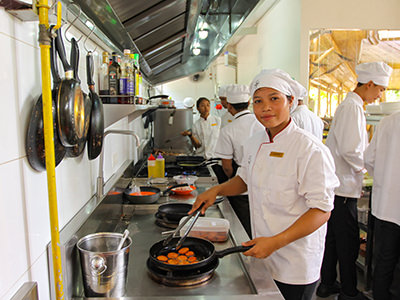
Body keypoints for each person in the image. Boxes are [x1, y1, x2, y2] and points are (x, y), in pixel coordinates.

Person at [189, 69, 339, 300]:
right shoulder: (256, 140)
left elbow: (321, 210)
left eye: (274, 99)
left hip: (294, 260)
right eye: (258, 101)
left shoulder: (310, 149)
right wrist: (217, 190)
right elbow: (244, 180)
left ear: (291, 101)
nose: (265, 107)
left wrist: (276, 242)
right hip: (262, 250)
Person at [317, 62, 393, 300]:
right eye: (380, 89)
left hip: (341, 186)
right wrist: (367, 168)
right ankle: (349, 292)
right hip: (343, 188)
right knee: (347, 243)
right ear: (369, 84)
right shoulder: (352, 107)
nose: (380, 94)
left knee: (334, 239)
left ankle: (328, 283)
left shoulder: (352, 106)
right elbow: (352, 150)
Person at [214, 84, 264, 237]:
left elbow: (227, 166)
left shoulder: (228, 130)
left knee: (243, 227)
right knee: (262, 224)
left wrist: (233, 182)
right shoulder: (263, 124)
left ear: (229, 106)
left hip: (241, 183)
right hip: (265, 183)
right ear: (249, 103)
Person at [364, 111, 400, 300]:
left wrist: (384, 180)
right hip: (388, 208)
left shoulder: (388, 122)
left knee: (384, 262)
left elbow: (369, 159)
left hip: (387, 208)